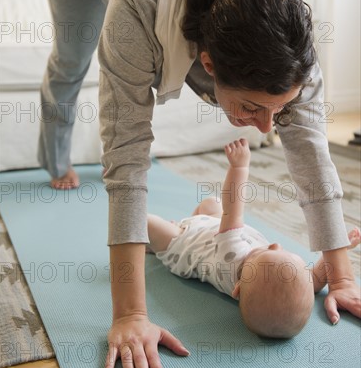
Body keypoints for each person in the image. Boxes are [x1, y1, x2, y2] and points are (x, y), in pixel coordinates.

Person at [37, 0, 360, 368]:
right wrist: (130, 314)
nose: (267, 128)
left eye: (277, 109)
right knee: (71, 61)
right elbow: (125, 156)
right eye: (253, 108)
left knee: (280, 114)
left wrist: (341, 275)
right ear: (206, 64)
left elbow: (310, 151)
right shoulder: (136, 9)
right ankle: (52, 157)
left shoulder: (289, 38)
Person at [147, 138, 361, 339]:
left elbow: (233, 210)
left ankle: (152, 242)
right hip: (212, 228)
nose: (276, 245)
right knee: (211, 205)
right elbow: (317, 276)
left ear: (237, 288)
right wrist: (341, 246)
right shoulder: (276, 279)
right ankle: (193, 219)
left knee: (149, 223)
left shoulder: (230, 257)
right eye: (283, 251)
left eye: (266, 251)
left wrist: (239, 168)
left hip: (183, 245)